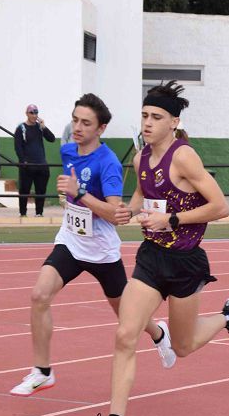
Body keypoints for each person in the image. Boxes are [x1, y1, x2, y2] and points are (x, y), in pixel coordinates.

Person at [79, 82, 229, 416]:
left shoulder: (185, 157)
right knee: (125, 333)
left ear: (174, 122)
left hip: (185, 261)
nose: (148, 123)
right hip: (152, 257)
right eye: (144, 116)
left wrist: (172, 219)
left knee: (184, 346)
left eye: (156, 117)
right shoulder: (140, 160)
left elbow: (220, 207)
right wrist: (125, 212)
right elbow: (138, 202)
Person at [9, 93, 175, 396]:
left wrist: (80, 193)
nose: (78, 127)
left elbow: (115, 215)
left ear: (101, 128)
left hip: (101, 250)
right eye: (75, 120)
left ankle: (158, 332)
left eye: (86, 123)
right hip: (71, 243)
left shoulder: (108, 163)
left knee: (127, 316)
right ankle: (42, 371)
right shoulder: (68, 150)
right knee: (39, 295)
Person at [14, 104, 56, 218]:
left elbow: (52, 139)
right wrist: (23, 162)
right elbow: (18, 147)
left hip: (41, 165)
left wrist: (44, 127)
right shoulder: (21, 128)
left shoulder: (39, 127)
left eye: (36, 112)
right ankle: (23, 213)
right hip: (27, 166)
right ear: (27, 114)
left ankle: (39, 213)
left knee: (41, 191)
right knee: (24, 190)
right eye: (32, 113)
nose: (34, 115)